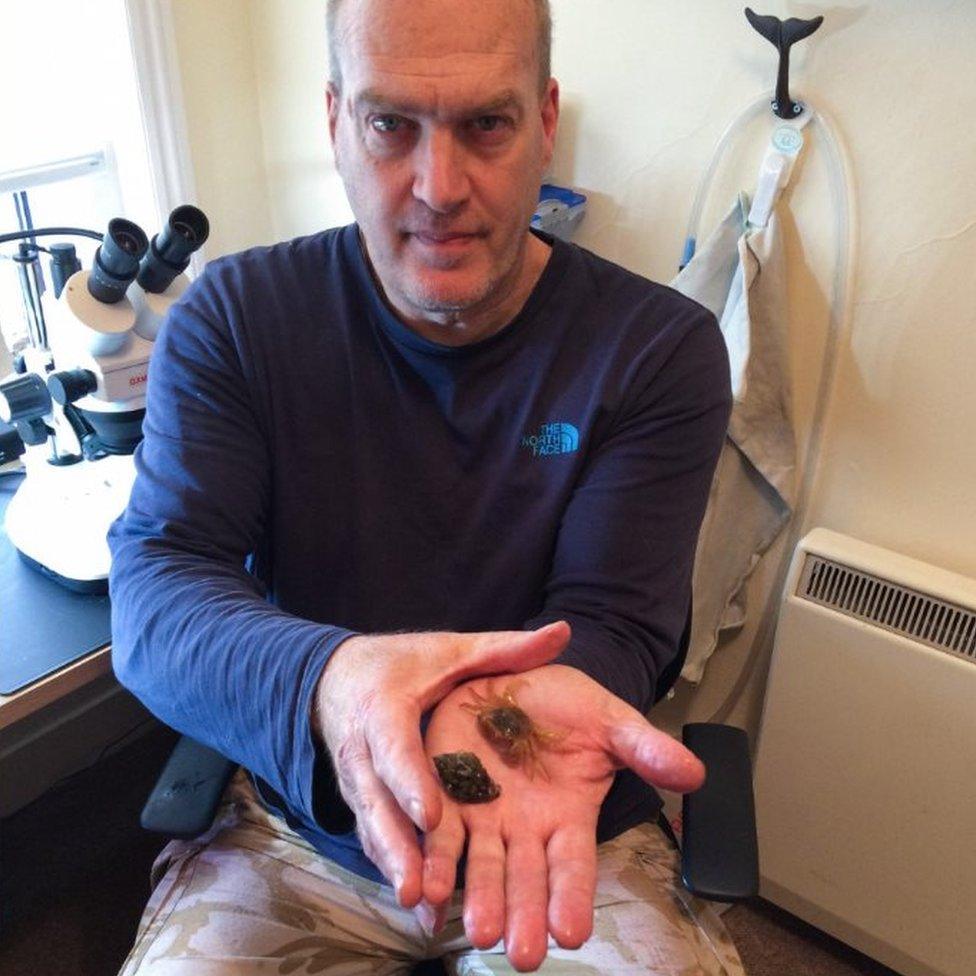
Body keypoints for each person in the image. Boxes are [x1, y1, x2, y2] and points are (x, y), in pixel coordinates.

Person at [109, 0, 745, 972]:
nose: (437, 187)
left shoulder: (658, 351)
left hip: (559, 812)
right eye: (389, 123)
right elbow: (159, 590)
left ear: (543, 123)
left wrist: (495, 725)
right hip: (300, 830)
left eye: (484, 124)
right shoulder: (232, 321)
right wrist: (338, 684)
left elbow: (618, 620)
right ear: (334, 123)